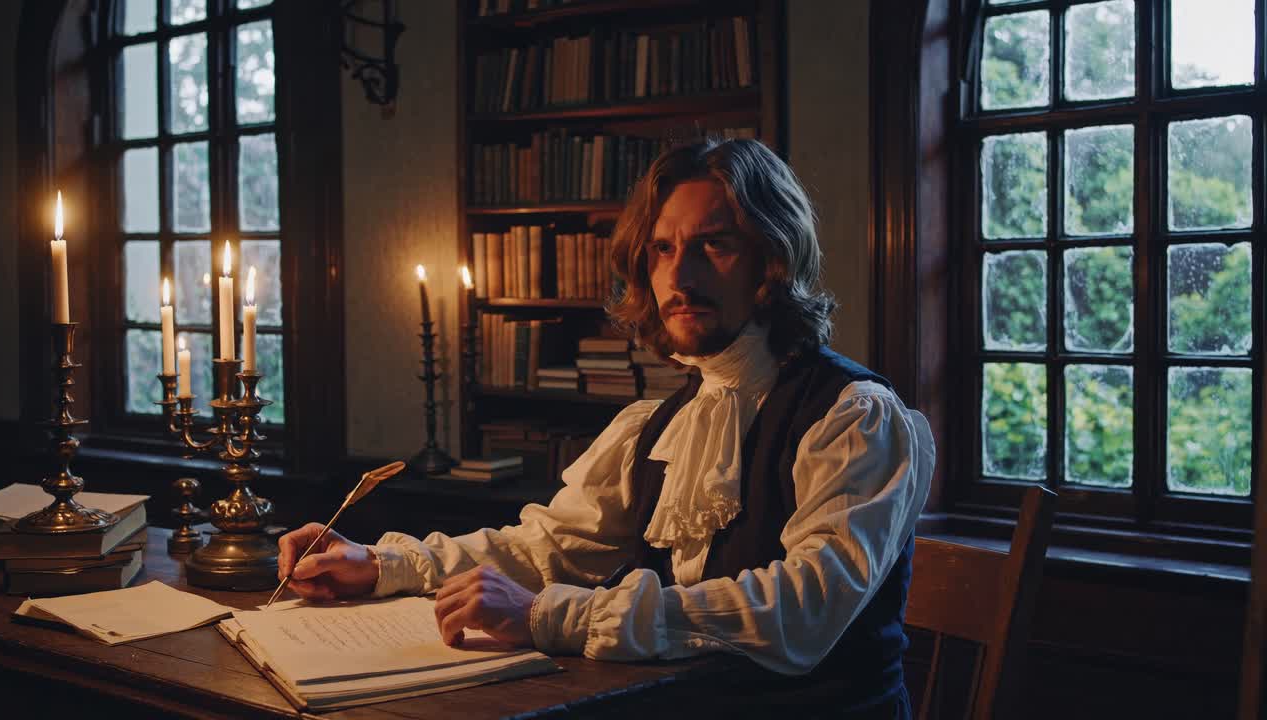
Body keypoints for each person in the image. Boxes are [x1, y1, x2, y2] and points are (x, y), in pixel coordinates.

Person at [278, 137, 935, 717]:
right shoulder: (656, 425)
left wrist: (548, 615)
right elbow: (542, 551)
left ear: (774, 258)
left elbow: (802, 611)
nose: (681, 274)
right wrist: (381, 562)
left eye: (716, 244)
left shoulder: (853, 416)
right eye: (663, 249)